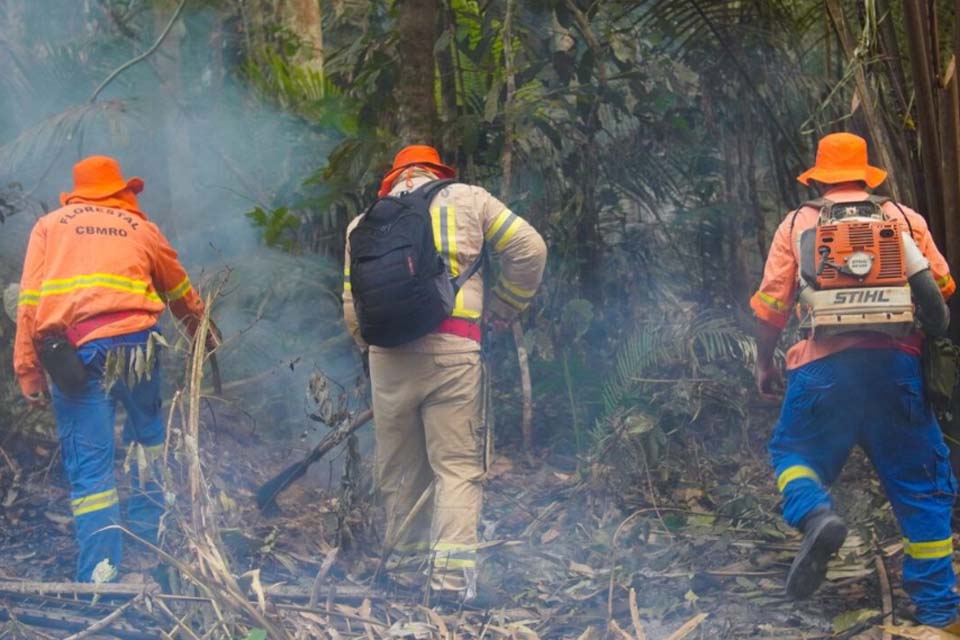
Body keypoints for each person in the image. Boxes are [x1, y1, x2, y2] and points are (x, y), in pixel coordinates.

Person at [751, 132, 958, 627]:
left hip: (822, 368)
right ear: (867, 176)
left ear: (820, 177)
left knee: (793, 452)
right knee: (919, 487)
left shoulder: (800, 222)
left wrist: (764, 362)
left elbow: (771, 307)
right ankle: (941, 612)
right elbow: (943, 288)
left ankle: (815, 513)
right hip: (897, 368)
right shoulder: (903, 219)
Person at [342, 145, 547, 600]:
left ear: (393, 178)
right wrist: (503, 308)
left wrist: (375, 351)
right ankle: (451, 585)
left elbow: (352, 311)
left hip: (387, 357)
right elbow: (530, 248)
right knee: (455, 468)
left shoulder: (363, 223)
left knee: (399, 469)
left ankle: (404, 573)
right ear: (438, 171)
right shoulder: (469, 198)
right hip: (455, 348)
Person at [13, 155, 212, 582]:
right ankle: (150, 553)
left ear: (77, 191)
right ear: (121, 190)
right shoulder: (142, 228)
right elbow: (181, 292)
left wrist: (28, 370)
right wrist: (204, 335)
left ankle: (101, 575)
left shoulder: (51, 225)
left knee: (92, 467)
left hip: (79, 356)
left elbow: (29, 302)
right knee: (149, 446)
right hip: (141, 349)